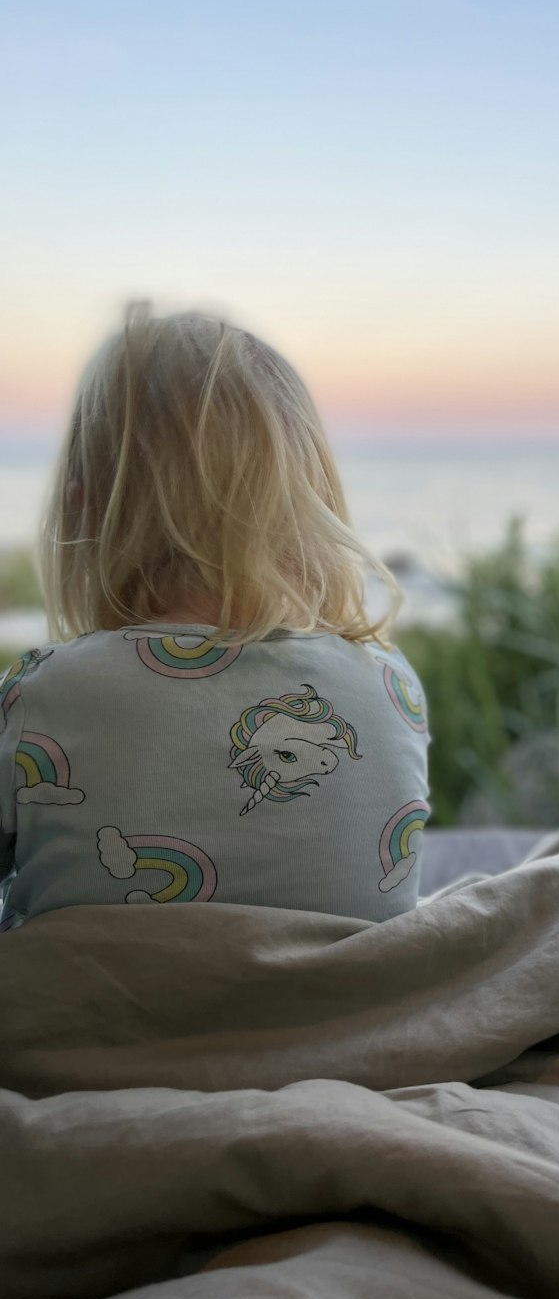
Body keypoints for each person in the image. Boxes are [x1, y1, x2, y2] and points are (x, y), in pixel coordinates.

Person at [0, 303, 430, 931]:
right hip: (341, 1021)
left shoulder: (43, 693)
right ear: (310, 504)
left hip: (100, 1024)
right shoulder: (392, 686)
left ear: (84, 511)